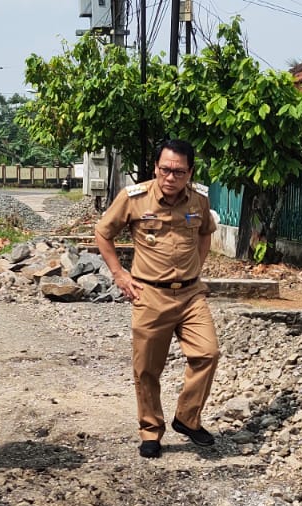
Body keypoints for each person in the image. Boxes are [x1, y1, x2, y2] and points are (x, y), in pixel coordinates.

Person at [94, 139, 221, 459]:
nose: (170, 177)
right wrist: (119, 275)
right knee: (147, 369)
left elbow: (206, 232)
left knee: (208, 353)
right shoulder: (133, 198)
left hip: (191, 295)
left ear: (190, 173)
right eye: (165, 169)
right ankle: (150, 430)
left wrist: (198, 266)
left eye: (179, 172)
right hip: (150, 294)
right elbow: (103, 232)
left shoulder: (199, 201)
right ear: (155, 168)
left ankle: (187, 418)